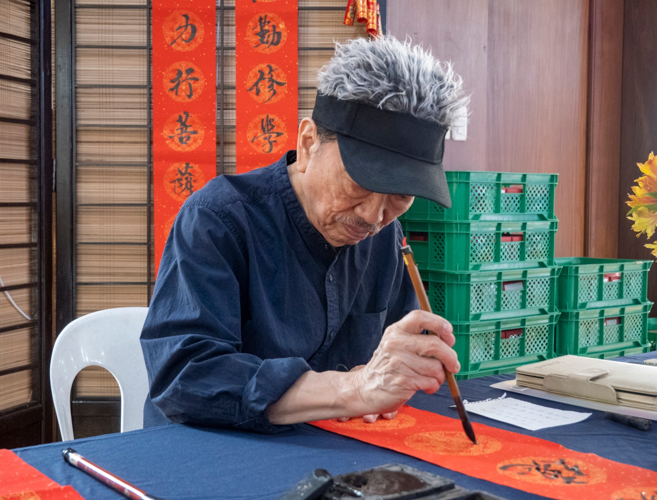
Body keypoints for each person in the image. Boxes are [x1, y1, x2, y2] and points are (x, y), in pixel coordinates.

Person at [141, 36, 468, 433]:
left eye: (400, 195)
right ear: (309, 143)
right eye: (358, 184)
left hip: (335, 451)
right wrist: (353, 387)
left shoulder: (386, 236)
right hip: (211, 453)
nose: (373, 216)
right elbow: (187, 377)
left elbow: (396, 354)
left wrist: (405, 367)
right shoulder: (217, 220)